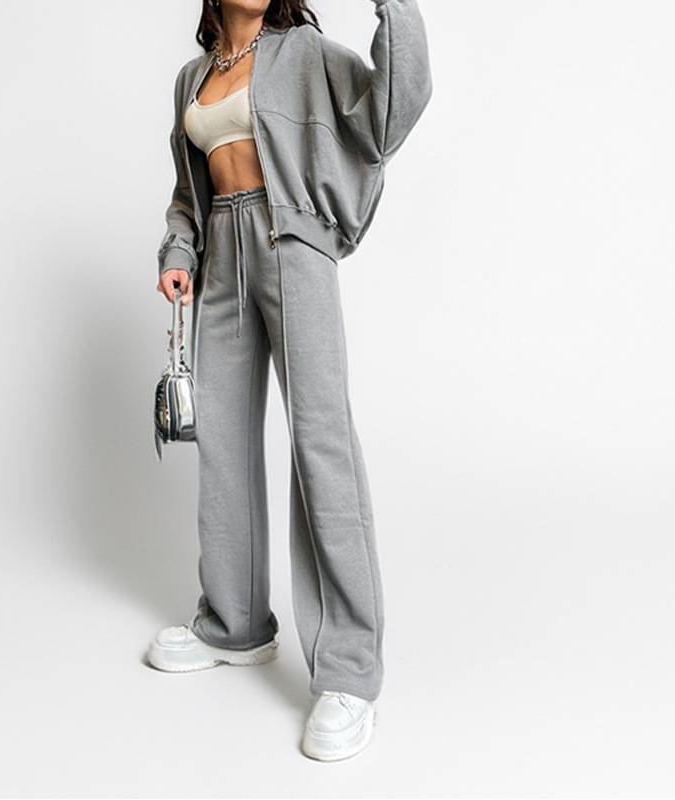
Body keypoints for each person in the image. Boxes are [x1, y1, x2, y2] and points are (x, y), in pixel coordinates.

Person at [149, 0, 431, 761]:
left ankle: (348, 670)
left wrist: (394, 8)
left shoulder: (303, 51)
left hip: (292, 244)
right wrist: (178, 253)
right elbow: (188, 195)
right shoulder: (191, 78)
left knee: (320, 441)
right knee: (224, 446)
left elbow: (390, 112)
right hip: (221, 262)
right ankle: (234, 625)